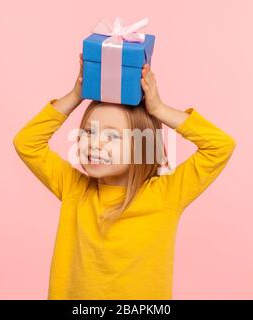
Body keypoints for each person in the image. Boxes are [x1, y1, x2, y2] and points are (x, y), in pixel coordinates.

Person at [13, 53, 236, 299]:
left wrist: (159, 109)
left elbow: (220, 147)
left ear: (143, 146)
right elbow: (26, 143)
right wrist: (75, 96)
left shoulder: (165, 196)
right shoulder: (73, 187)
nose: (95, 144)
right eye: (89, 132)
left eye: (112, 136)